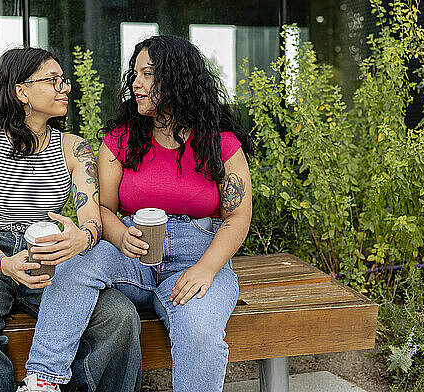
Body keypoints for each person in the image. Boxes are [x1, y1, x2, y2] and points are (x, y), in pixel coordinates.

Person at [23, 35, 253, 392]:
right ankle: (42, 380)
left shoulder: (219, 141)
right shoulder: (121, 138)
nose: (135, 82)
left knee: (201, 332)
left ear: (177, 78)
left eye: (147, 74)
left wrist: (206, 268)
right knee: (76, 263)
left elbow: (237, 217)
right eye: (134, 74)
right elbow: (103, 208)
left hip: (199, 255)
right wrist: (118, 235)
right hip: (131, 250)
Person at [0, 47, 142, 392]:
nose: (65, 87)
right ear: (21, 91)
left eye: (63, 79)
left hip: (53, 253)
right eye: (53, 80)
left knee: (120, 319)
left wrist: (83, 238)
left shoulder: (74, 147)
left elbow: (91, 220)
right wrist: (7, 264)